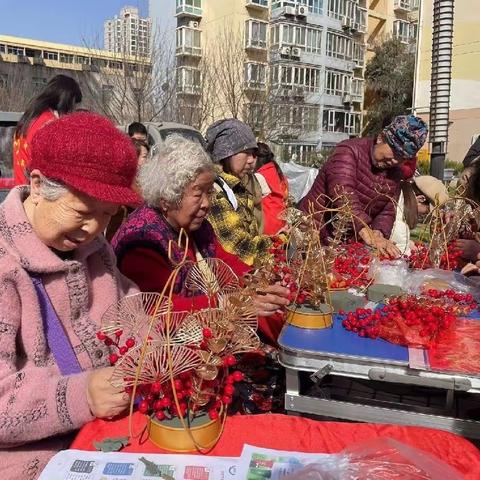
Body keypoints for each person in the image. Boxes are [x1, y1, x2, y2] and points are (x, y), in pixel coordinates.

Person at [0, 112, 141, 478]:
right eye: (82, 211)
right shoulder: (5, 266)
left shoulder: (96, 250)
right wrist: (82, 395)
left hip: (104, 442)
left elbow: (130, 310)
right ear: (37, 183)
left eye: (108, 215)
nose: (94, 228)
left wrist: (156, 351)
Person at [112, 134, 290, 343]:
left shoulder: (197, 228)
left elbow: (228, 265)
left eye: (209, 192)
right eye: (198, 194)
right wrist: (230, 303)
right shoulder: (142, 243)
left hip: (206, 334)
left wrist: (258, 285)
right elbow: (159, 311)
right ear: (167, 198)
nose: (207, 204)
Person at [299, 115, 428, 257]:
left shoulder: (395, 174)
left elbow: (387, 210)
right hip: (314, 232)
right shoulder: (349, 151)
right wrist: (366, 231)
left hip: (345, 242)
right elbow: (343, 194)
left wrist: (378, 233)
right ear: (381, 138)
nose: (394, 161)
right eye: (395, 152)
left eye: (402, 158)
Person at [205, 119, 274, 266]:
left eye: (254, 154)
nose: (251, 160)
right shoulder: (214, 192)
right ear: (226, 153)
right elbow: (241, 249)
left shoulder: (242, 184)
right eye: (246, 153)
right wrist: (281, 240)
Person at [13, 75, 82, 186]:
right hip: (37, 193)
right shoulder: (48, 124)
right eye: (73, 104)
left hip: (22, 191)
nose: (72, 111)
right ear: (67, 100)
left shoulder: (30, 117)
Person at [390, 176, 449, 254]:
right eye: (426, 212)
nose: (424, 216)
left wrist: (408, 243)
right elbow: (400, 251)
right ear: (421, 199)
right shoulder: (398, 219)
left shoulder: (399, 200)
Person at [104, 139, 149, 242]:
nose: (148, 161)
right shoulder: (127, 180)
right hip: (121, 236)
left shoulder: (139, 178)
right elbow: (141, 202)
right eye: (145, 157)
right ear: (134, 157)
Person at [254, 142, 289, 236]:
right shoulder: (277, 172)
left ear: (256, 158)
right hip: (280, 222)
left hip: (267, 224)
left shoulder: (259, 176)